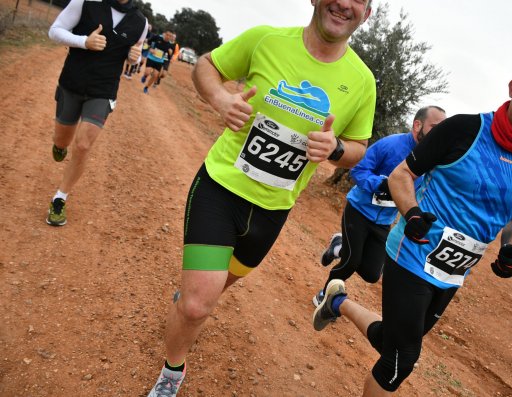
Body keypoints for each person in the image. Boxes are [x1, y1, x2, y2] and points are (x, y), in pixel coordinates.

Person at [312, 54, 512, 395]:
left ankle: (337, 302)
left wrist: (511, 248)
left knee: (393, 342)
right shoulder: (464, 130)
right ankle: (339, 304)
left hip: (454, 270)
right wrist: (411, 214)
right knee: (401, 359)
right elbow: (401, 175)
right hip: (413, 252)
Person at [146, 0, 376, 395]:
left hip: (273, 210)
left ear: (367, 13)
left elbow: (359, 145)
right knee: (199, 305)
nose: (344, 4)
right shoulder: (265, 40)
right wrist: (220, 99)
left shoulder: (362, 80)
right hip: (221, 188)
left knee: (217, 285)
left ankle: (194, 294)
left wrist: (335, 149)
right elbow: (206, 65)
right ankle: (172, 372)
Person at [313, 106, 446, 307]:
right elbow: (358, 170)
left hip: (384, 221)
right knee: (350, 262)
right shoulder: (391, 144)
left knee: (371, 274)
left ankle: (338, 246)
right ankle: (324, 296)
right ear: (417, 125)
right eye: (435, 127)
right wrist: (380, 185)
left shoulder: (430, 160)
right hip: (358, 210)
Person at [46, 0, 148, 226]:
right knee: (61, 140)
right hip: (71, 84)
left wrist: (135, 58)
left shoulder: (140, 21)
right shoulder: (85, 2)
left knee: (83, 144)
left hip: (103, 90)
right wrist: (84, 41)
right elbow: (54, 31)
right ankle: (59, 146)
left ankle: (60, 198)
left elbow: (137, 54)